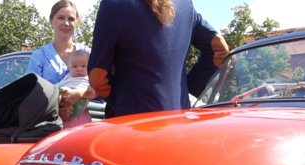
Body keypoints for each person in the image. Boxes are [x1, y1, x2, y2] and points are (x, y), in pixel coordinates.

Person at [87, 0, 229, 117]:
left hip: (133, 124)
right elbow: (220, 48)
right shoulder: (185, 4)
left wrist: (124, 100)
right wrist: (186, 88)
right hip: (180, 119)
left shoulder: (113, 5)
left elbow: (97, 77)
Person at [26, 0, 95, 122]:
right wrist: (55, 112)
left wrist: (79, 93)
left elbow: (101, 86)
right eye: (61, 18)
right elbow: (30, 94)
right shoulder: (39, 56)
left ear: (76, 22)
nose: (66, 23)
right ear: (51, 21)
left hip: (82, 124)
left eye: (71, 19)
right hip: (50, 124)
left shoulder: (88, 53)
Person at [58, 50, 97, 128]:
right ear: (69, 67)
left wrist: (88, 90)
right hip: (64, 104)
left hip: (80, 104)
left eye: (83, 66)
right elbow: (58, 85)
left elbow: (94, 91)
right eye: (74, 67)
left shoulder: (89, 78)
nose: (79, 69)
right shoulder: (68, 77)